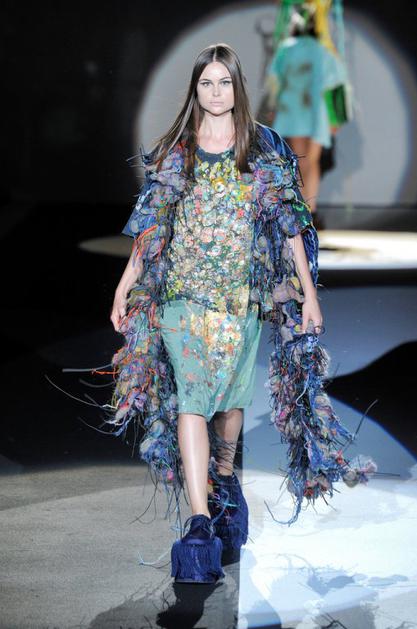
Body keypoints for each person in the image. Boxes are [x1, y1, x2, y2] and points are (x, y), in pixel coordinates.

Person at [108, 43, 375, 584]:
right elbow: (152, 228)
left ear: (237, 88)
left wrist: (309, 294)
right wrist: (124, 285)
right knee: (191, 400)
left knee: (229, 403)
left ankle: (224, 481)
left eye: (223, 82)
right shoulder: (177, 152)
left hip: (240, 303)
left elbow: (289, 228)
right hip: (182, 300)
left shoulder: (262, 150)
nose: (215, 92)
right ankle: (199, 522)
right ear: (195, 90)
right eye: (205, 83)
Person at [264, 6, 348, 229]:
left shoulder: (286, 49)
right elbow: (336, 82)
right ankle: (310, 211)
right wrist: (335, 118)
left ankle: (301, 211)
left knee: (300, 162)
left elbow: (275, 81)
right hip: (315, 111)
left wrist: (275, 106)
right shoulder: (322, 51)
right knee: (311, 161)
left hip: (293, 109)